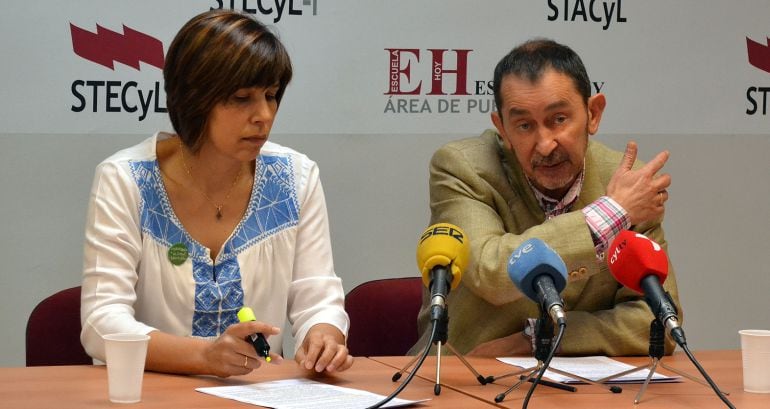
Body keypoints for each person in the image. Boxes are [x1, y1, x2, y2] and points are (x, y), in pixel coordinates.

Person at [80, 10, 353, 377]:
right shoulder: (125, 179)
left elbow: (318, 297)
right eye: (242, 98)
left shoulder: (296, 176)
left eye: (271, 96)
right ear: (194, 98)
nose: (264, 115)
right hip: (150, 391)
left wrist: (324, 334)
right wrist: (202, 356)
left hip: (260, 393)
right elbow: (102, 323)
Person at [410, 38, 680, 357]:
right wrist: (612, 213)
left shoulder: (625, 181)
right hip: (464, 378)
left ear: (593, 114)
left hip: (580, 389)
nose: (545, 144)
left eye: (559, 119)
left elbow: (657, 321)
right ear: (503, 129)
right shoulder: (462, 168)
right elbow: (492, 270)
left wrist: (538, 338)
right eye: (524, 125)